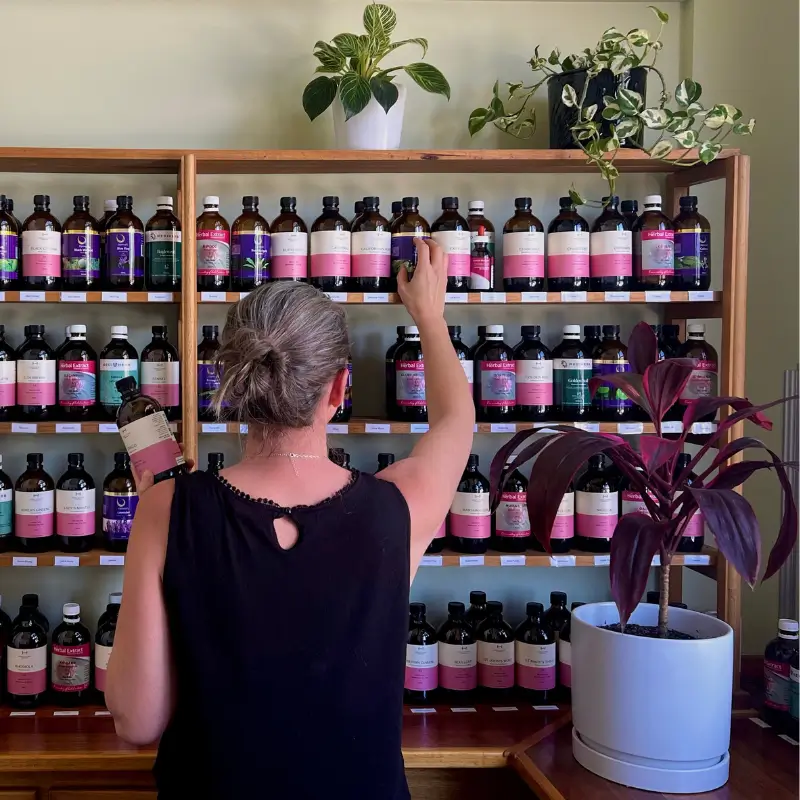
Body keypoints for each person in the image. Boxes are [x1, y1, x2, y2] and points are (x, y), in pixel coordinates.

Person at [105, 239, 475, 799]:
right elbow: (456, 421)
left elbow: (137, 720)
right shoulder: (397, 506)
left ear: (232, 384)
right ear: (339, 387)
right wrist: (429, 315)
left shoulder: (167, 507)